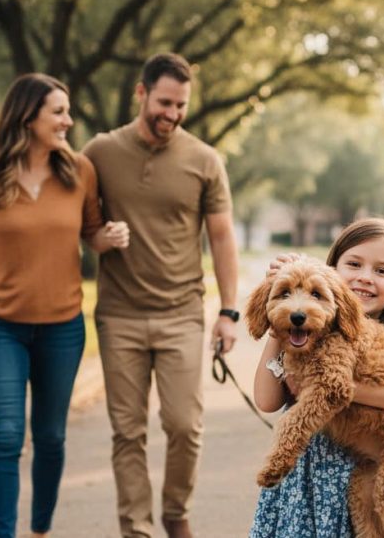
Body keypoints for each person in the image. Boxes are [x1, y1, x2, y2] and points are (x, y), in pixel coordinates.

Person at [0, 73, 130, 538]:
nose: (69, 121)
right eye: (59, 112)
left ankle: (39, 531)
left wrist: (106, 238)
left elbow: (91, 232)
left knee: (50, 437)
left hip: (61, 328)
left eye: (68, 111)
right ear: (27, 116)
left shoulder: (78, 172)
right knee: (6, 436)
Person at [82, 53, 239, 538]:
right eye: (164, 102)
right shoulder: (100, 153)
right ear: (141, 92)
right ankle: (137, 529)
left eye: (181, 105)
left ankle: (175, 511)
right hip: (119, 316)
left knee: (184, 425)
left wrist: (229, 311)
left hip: (181, 314)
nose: (172, 113)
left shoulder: (204, 160)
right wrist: (98, 240)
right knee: (127, 432)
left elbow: (221, 239)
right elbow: (84, 224)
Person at [250, 216, 384, 537]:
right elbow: (267, 399)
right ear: (332, 271)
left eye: (382, 271)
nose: (364, 278)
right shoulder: (307, 331)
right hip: (305, 483)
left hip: (360, 479)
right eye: (353, 264)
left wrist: (349, 390)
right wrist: (281, 311)